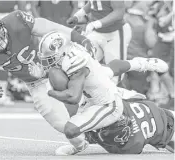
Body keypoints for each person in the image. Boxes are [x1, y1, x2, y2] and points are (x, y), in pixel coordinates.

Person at [0, 10, 95, 152]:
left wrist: (80, 39)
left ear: (1, 25)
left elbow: (53, 28)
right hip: (36, 82)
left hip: (59, 62)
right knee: (62, 124)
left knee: (96, 88)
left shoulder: (17, 21)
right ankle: (81, 144)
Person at [38, 31, 169, 155]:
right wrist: (42, 74)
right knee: (106, 72)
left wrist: (50, 92)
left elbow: (73, 97)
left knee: (71, 128)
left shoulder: (74, 64)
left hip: (106, 104)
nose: (48, 62)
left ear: (63, 53)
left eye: (51, 58)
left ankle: (79, 146)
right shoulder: (72, 54)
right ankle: (139, 66)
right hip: (94, 88)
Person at [85, 99, 174, 154]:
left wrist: (95, 137)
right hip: (164, 113)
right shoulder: (121, 107)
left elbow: (110, 145)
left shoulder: (134, 144)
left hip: (168, 133)